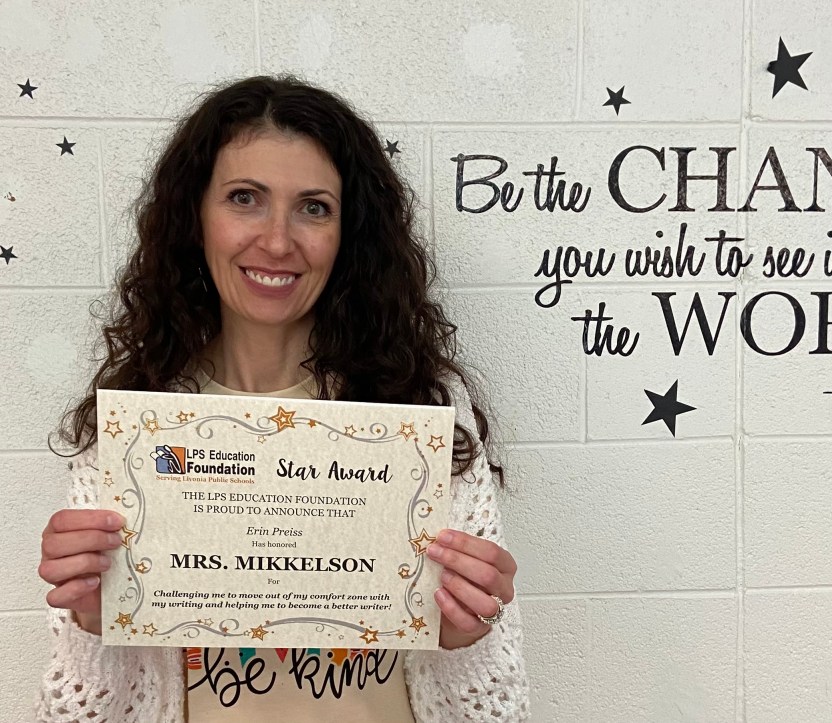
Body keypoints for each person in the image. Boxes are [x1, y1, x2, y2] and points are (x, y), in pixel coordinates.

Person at [35, 73, 530, 722]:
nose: (276, 240)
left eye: (313, 207)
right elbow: (85, 700)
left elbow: (488, 690)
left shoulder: (422, 413)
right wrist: (92, 619)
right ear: (195, 216)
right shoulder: (133, 429)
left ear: (348, 232)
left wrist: (468, 631)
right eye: (244, 198)